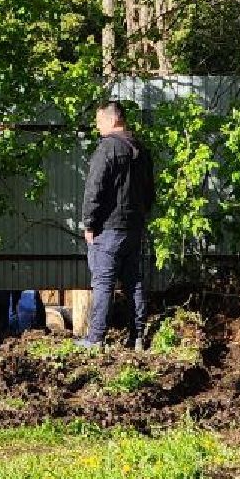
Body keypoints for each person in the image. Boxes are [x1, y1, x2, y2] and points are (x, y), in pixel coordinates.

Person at [80, 100, 156, 349]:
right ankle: (137, 337)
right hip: (134, 228)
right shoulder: (141, 149)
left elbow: (94, 189)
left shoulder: (107, 149)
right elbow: (149, 193)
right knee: (134, 282)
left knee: (103, 283)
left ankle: (96, 339)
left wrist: (89, 224)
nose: (98, 127)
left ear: (112, 120)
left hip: (109, 229)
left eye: (99, 121)